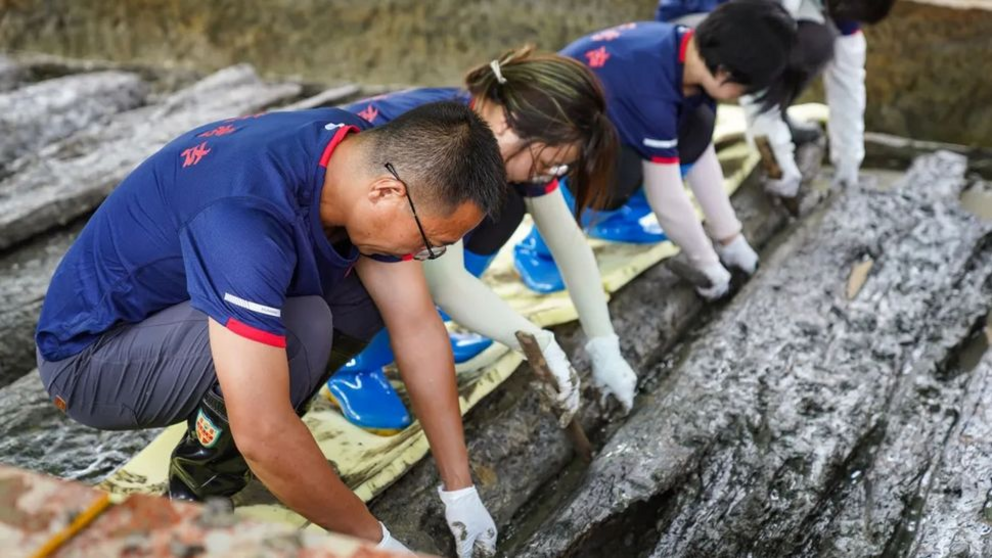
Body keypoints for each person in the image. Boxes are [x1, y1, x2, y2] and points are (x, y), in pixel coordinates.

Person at [34, 102, 507, 555]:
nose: (427, 256)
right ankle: (196, 495)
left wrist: (459, 488)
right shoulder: (242, 220)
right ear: (386, 193)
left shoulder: (351, 151)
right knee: (303, 330)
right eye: (431, 243)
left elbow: (417, 325)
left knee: (366, 297)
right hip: (89, 361)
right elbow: (262, 430)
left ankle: (241, 448)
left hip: (178, 314)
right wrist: (377, 543)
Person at [326, 46, 639, 435]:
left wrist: (604, 344)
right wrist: (538, 342)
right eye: (547, 163)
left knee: (504, 208)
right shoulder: (445, 144)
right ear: (511, 126)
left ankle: (429, 329)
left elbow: (569, 244)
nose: (548, 174)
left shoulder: (497, 142)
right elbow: (446, 283)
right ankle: (357, 367)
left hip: (412, 232)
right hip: (331, 247)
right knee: (405, 251)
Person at [515, 0, 797, 300]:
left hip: (599, 128)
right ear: (725, 73)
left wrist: (731, 239)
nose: (739, 98)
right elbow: (668, 201)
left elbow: (701, 157)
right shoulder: (651, 91)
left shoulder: (689, 52)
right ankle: (540, 248)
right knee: (621, 169)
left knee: (696, 126)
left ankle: (611, 220)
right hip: (537, 145)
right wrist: (708, 265)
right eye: (743, 90)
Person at [656, 0, 898, 197]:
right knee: (806, 42)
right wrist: (777, 157)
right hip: (690, 26)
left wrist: (848, 166)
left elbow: (848, 83)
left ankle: (777, 115)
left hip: (749, 25)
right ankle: (685, 125)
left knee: (820, 39)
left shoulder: (842, 9)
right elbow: (753, 54)